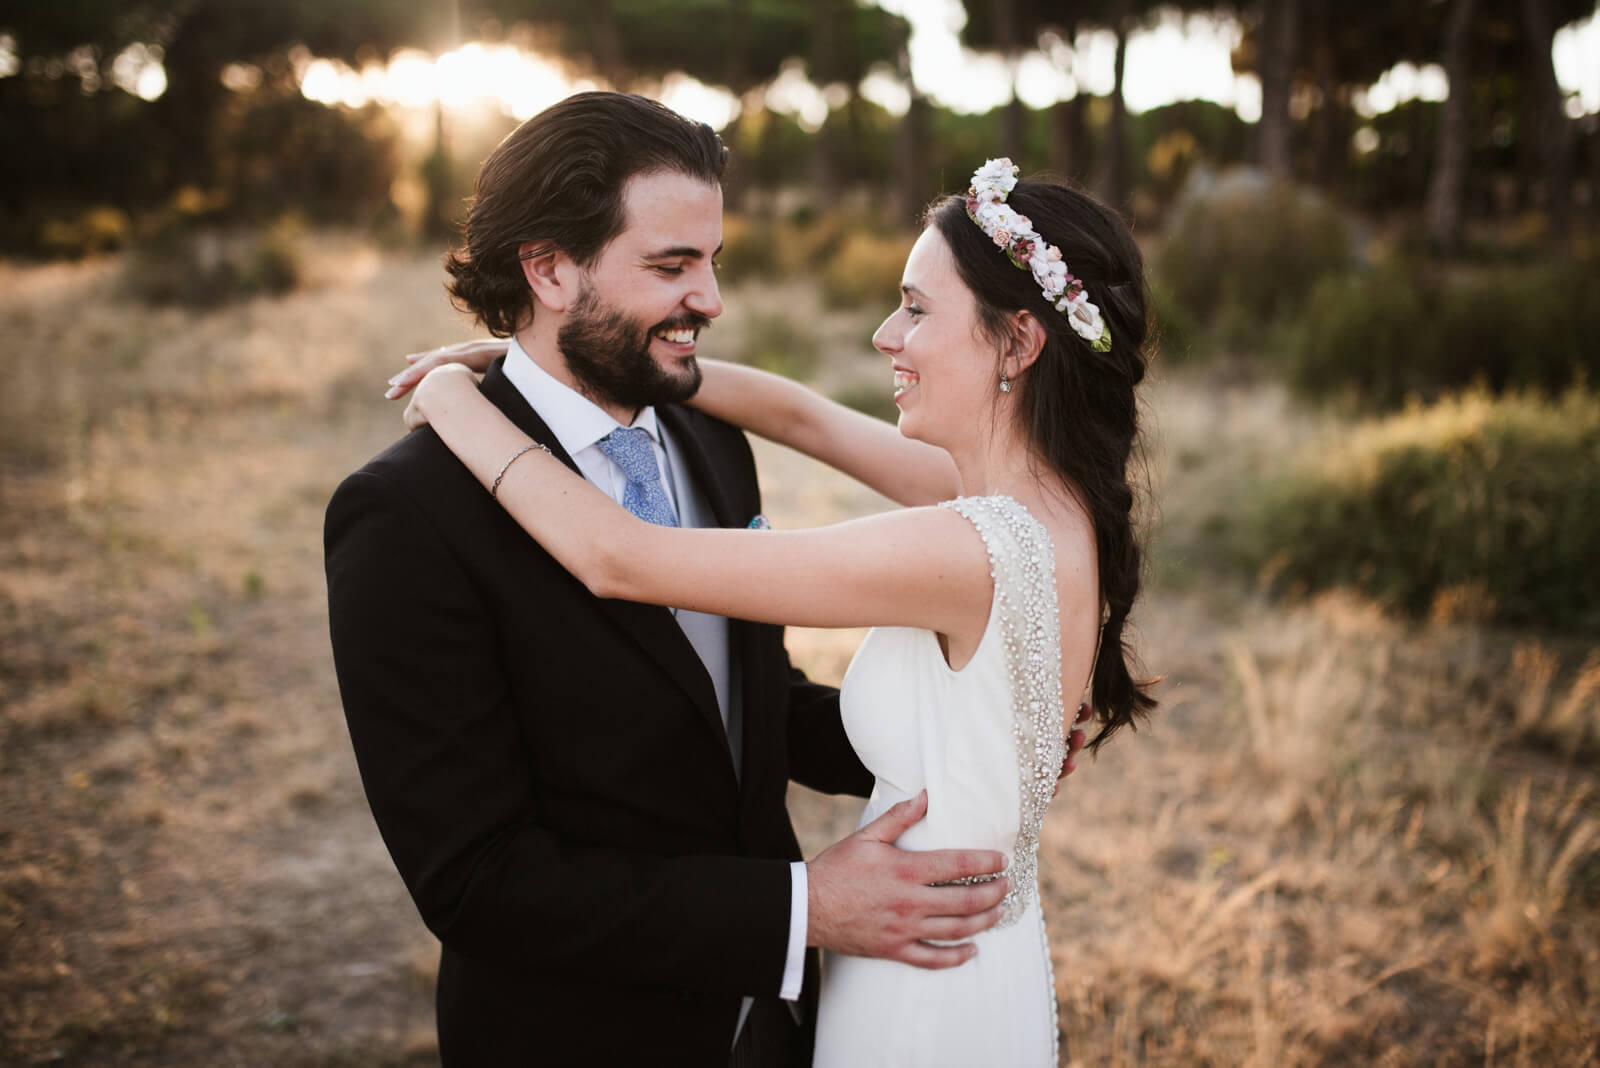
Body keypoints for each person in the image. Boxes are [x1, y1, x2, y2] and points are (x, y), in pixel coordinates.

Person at [325, 92, 1074, 1067]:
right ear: (549, 267)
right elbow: (476, 880)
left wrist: (975, 729)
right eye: (672, 266)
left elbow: (745, 698)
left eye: (712, 263)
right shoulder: (406, 513)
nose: (712, 302)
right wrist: (803, 908)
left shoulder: (708, 437)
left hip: (775, 1026)